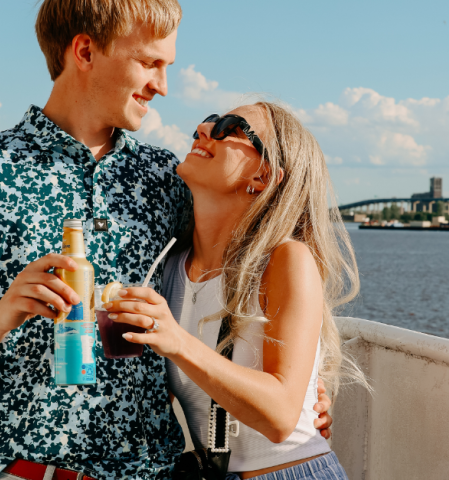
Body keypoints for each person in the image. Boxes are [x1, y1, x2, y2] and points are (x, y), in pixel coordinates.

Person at [0, 2, 333, 479]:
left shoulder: (167, 179)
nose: (162, 86)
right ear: (85, 50)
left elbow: (248, 252)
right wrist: (6, 309)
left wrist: (305, 388)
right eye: (150, 63)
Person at [105, 102, 368, 479]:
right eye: (210, 119)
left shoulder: (284, 260)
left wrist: (176, 340)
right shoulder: (169, 269)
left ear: (261, 178)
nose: (203, 128)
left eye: (231, 126)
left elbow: (279, 416)